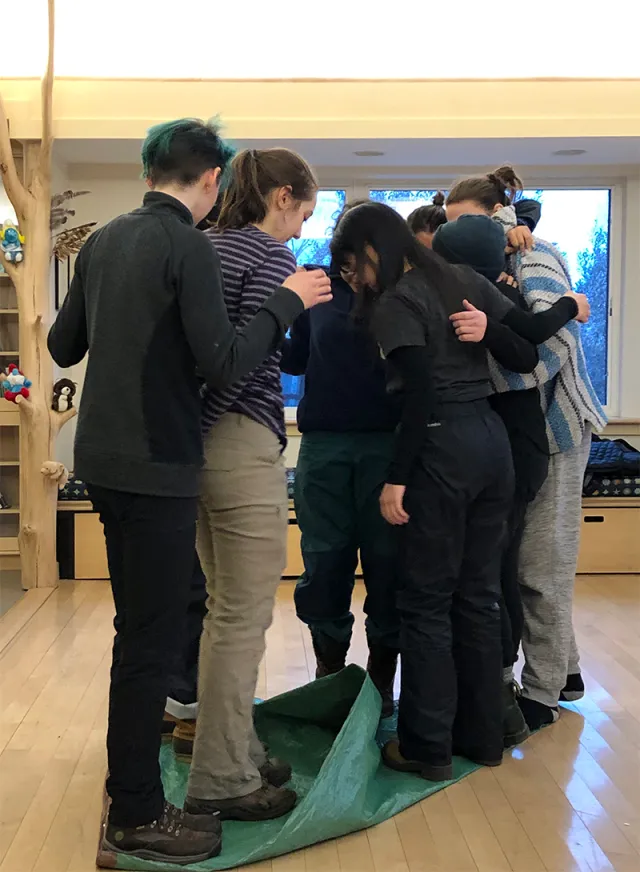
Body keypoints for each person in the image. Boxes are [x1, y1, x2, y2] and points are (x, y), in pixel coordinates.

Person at [47, 120, 331, 866]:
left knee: (142, 636)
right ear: (210, 179)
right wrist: (289, 302)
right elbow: (227, 362)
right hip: (155, 463)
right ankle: (136, 815)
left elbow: (61, 346)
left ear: (149, 170)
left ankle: (142, 798)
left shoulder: (106, 239)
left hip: (102, 458)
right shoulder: (184, 242)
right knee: (147, 644)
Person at [329, 201, 589, 781]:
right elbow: (525, 351)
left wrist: (396, 478)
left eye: (352, 268)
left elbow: (419, 393)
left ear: (374, 251)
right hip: (492, 446)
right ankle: (485, 740)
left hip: (441, 449)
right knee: (477, 597)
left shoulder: (397, 301)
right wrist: (492, 329)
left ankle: (427, 748)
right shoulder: (458, 277)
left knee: (426, 602)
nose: (353, 281)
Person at [183, 148, 323, 824]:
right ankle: (221, 778)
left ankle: (234, 746)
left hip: (194, 447)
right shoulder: (272, 261)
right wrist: (298, 299)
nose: (300, 230)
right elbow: (237, 363)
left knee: (222, 610)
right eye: (302, 214)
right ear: (282, 196)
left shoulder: (202, 247)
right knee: (242, 617)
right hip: (241, 441)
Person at [445, 166, 607, 730]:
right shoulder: (502, 260)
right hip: (520, 433)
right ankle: (564, 671)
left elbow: (550, 345)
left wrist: (496, 370)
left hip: (555, 431)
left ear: (494, 216)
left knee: (542, 567)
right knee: (525, 562)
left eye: (462, 225)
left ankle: (541, 695)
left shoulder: (534, 258)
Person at [281, 200, 402, 718]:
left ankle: (381, 684)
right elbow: (291, 358)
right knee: (324, 564)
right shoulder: (318, 287)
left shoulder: (402, 291)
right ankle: (329, 676)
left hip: (388, 449)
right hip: (325, 448)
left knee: (388, 565)